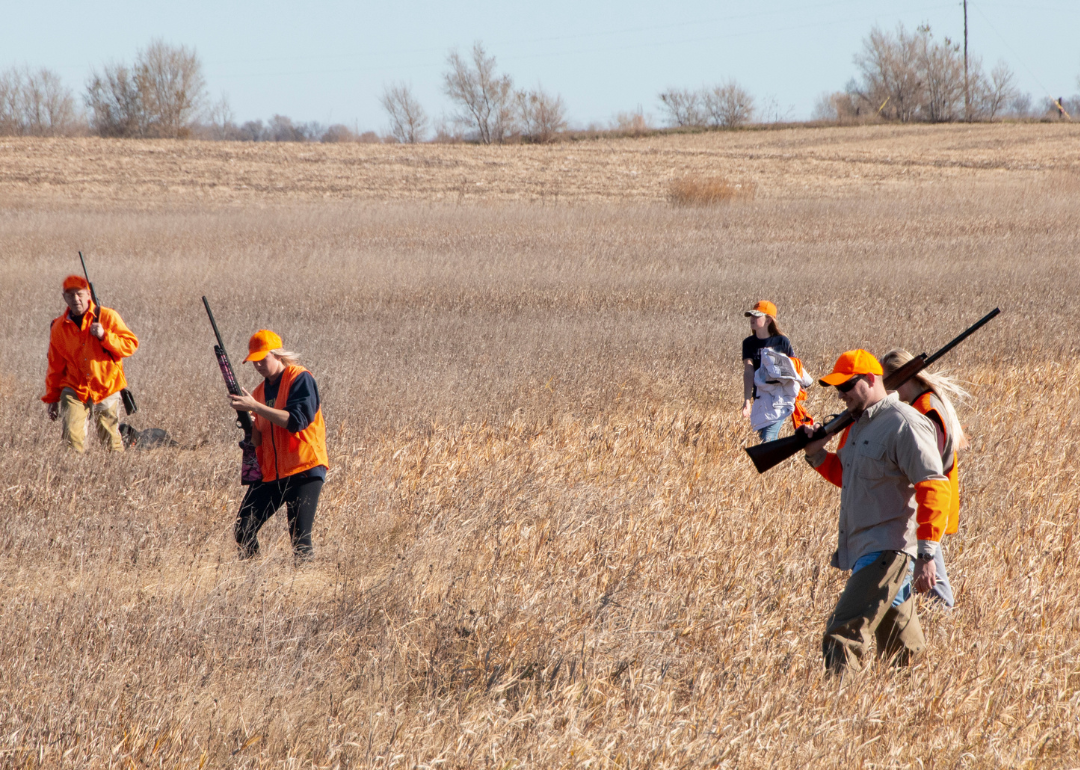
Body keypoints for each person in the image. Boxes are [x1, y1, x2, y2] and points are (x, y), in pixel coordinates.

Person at [802, 349, 952, 675]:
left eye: (846, 386)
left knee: (843, 635)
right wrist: (817, 455)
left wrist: (927, 553)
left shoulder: (904, 423)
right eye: (836, 388)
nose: (840, 395)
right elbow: (847, 474)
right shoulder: (857, 428)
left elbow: (934, 486)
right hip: (866, 549)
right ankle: (918, 709)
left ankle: (837, 718)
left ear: (870, 380)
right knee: (903, 651)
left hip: (888, 550)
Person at [227, 330, 328, 560]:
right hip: (272, 473)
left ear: (278, 355)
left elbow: (296, 421)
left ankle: (305, 589)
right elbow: (259, 441)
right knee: (244, 529)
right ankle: (251, 582)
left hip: (304, 468)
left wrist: (256, 407)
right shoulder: (258, 393)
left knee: (300, 539)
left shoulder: (300, 378)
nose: (259, 365)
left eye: (263, 359)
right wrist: (248, 423)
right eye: (255, 361)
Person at [881, 349, 969, 608]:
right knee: (922, 576)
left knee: (934, 584)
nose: (885, 387)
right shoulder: (925, 403)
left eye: (887, 380)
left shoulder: (925, 410)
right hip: (926, 504)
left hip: (926, 504)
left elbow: (929, 471)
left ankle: (946, 629)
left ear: (902, 377)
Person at [42, 275, 139, 452]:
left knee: (110, 440)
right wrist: (52, 398)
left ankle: (116, 475)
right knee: (72, 440)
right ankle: (73, 475)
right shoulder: (58, 327)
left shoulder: (108, 317)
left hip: (106, 385)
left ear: (88, 294)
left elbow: (130, 345)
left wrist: (104, 336)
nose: (76, 299)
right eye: (70, 295)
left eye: (79, 294)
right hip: (74, 387)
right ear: (64, 297)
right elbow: (55, 365)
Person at [741, 300, 797, 442]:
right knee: (762, 439)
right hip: (760, 396)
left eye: (757, 316)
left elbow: (795, 368)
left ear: (768, 320)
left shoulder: (782, 341)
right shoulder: (748, 343)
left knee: (768, 438)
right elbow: (748, 372)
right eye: (751, 316)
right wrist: (747, 400)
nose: (752, 319)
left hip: (780, 397)